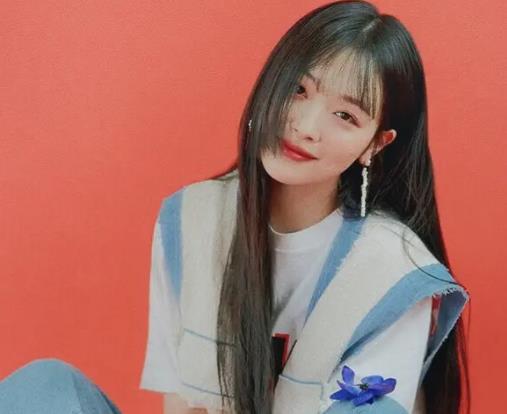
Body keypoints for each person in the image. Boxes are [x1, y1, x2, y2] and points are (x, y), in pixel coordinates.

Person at [0, 1, 470, 414]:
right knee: (44, 387)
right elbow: (181, 402)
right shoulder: (192, 220)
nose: (306, 126)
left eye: (345, 115)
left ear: (375, 144)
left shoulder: (393, 274)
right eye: (298, 90)